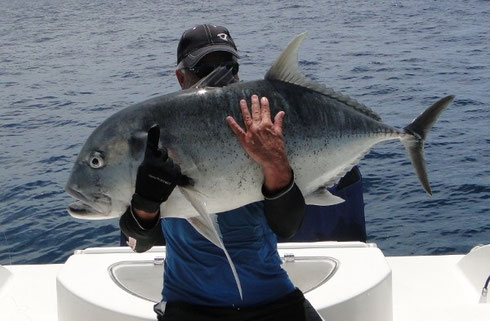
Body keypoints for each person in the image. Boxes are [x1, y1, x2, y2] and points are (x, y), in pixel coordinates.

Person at [119, 24, 323, 321]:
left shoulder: (264, 134)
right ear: (181, 77)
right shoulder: (157, 139)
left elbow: (287, 227)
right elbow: (139, 244)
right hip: (189, 305)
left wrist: (275, 163)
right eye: (204, 68)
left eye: (230, 67)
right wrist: (147, 202)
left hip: (272, 298)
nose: (221, 78)